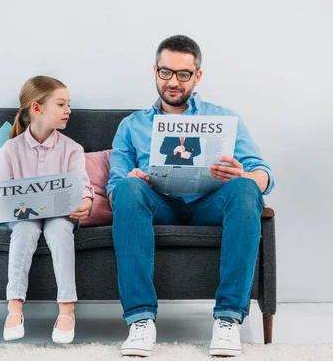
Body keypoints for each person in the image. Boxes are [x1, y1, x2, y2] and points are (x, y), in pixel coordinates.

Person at [106, 35, 274, 357]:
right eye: (166, 72)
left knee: (245, 188)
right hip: (159, 205)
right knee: (128, 188)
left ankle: (228, 319)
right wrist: (134, 180)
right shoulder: (131, 126)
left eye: (183, 74)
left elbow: (263, 174)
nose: (173, 81)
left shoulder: (224, 118)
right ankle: (141, 321)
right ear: (155, 71)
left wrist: (243, 175)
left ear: (197, 76)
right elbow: (114, 189)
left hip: (210, 204)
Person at [0, 76, 95, 343]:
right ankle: (14, 307)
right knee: (25, 228)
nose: (68, 110)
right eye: (61, 104)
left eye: (67, 104)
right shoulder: (9, 150)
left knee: (60, 229)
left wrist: (86, 203)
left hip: (61, 215)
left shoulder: (72, 149)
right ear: (36, 109)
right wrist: (6, 199)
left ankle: (67, 309)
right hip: (24, 217)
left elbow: (83, 189)